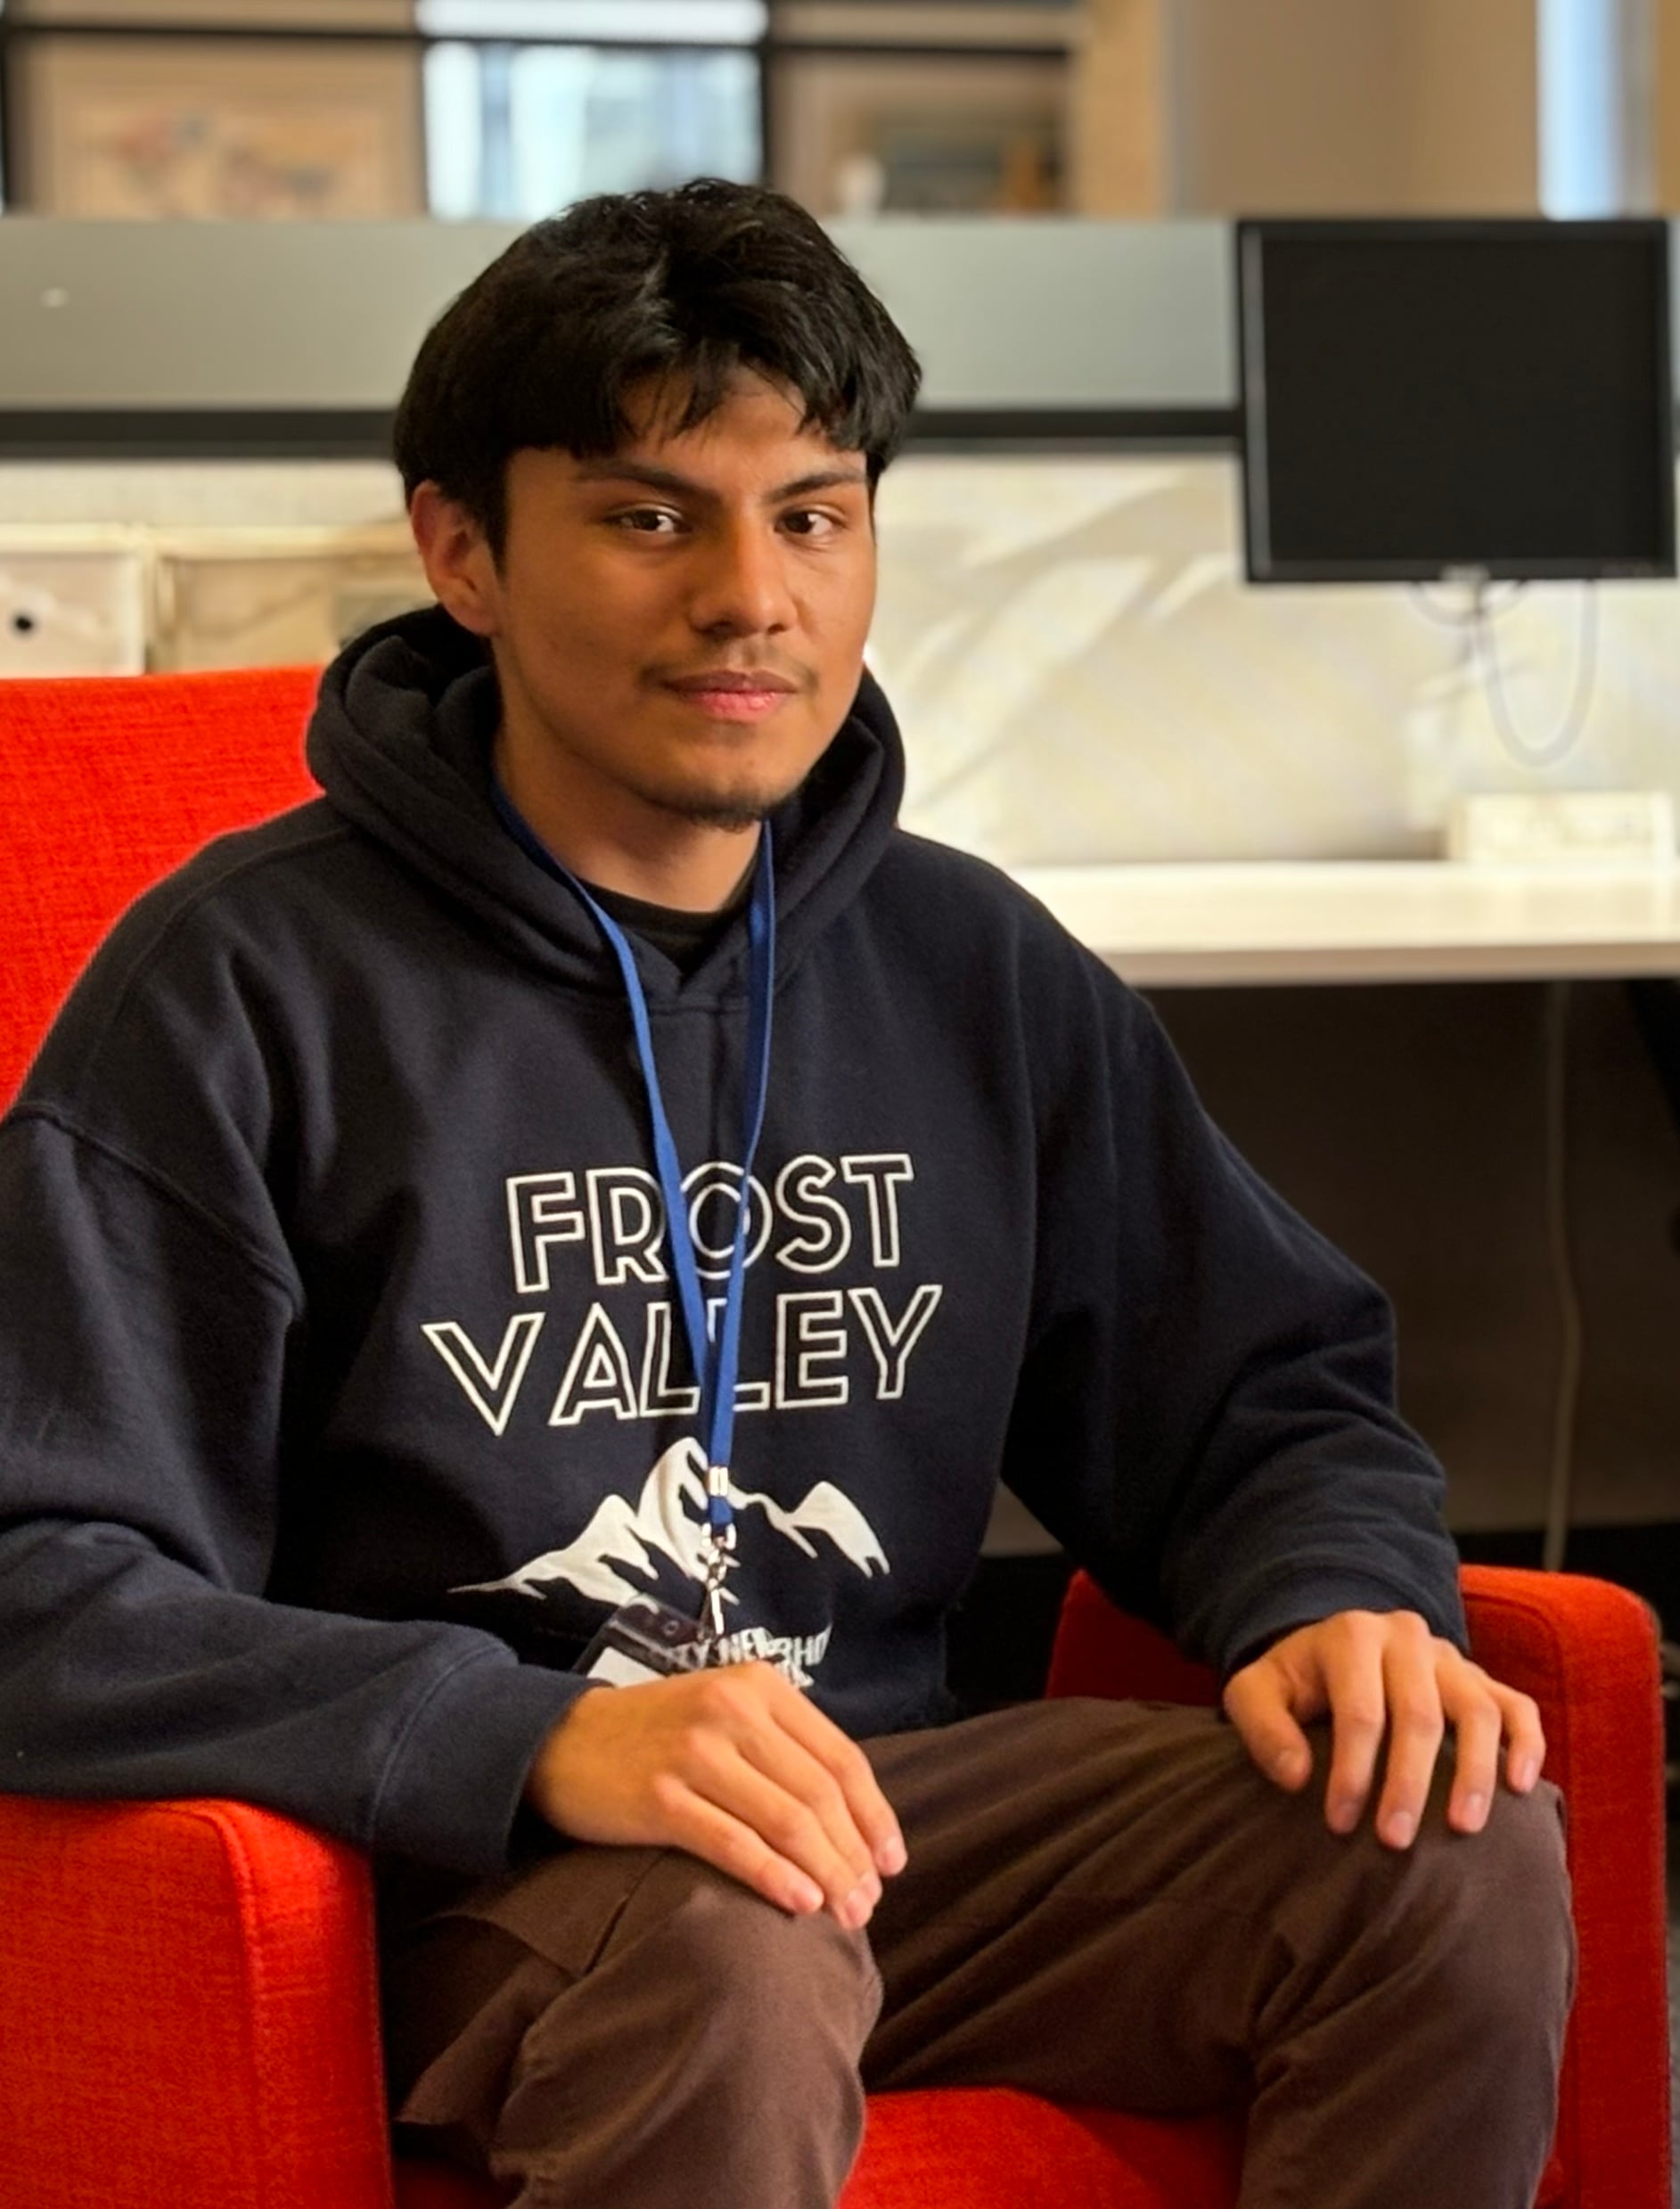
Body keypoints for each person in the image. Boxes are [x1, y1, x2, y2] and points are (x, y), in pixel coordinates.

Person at [0, 179, 1571, 2209]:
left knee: (1432, 1840)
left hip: (883, 1827)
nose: (753, 596)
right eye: (654, 514)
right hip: (453, 1882)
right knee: (722, 1939)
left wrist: (1335, 1596)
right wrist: (519, 1741)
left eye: (814, 515)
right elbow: (39, 1580)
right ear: (459, 550)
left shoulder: (969, 970)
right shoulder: (236, 995)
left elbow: (1263, 1393)